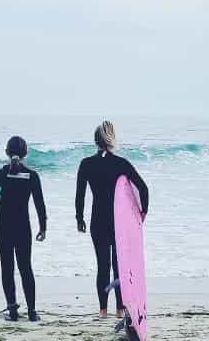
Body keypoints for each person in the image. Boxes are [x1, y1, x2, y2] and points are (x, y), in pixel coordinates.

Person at [75, 121, 149, 318]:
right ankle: (119, 309)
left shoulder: (86, 164)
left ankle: (102, 310)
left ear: (95, 141)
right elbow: (143, 188)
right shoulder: (121, 164)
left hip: (97, 221)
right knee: (119, 266)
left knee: (102, 266)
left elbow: (80, 195)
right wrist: (142, 213)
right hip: (119, 223)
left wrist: (79, 218)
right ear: (111, 140)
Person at [0, 136, 47, 322]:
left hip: (3, 228)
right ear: (25, 153)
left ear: (6, 152)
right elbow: (40, 205)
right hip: (22, 228)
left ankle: (12, 312)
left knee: (7, 268)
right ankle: (32, 312)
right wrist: (43, 228)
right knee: (26, 268)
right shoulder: (32, 176)